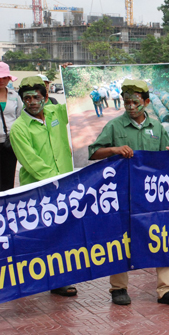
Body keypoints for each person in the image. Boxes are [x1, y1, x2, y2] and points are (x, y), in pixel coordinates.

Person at [88, 79, 169, 306]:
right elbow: (93, 153)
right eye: (126, 102)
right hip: (123, 195)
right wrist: (114, 149)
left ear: (146, 102)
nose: (131, 106)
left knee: (163, 237)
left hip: (153, 195)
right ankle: (119, 288)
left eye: (135, 102)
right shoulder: (114, 126)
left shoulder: (157, 127)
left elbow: (165, 155)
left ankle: (167, 289)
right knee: (121, 240)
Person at [9, 76, 77, 297]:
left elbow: (75, 108)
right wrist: (56, 181)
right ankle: (44, 279)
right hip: (40, 190)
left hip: (65, 185)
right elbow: (31, 161)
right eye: (27, 98)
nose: (32, 102)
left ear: (45, 97)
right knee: (44, 234)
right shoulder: (19, 128)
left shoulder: (55, 114)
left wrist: (73, 75)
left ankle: (59, 279)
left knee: (63, 233)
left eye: (36, 97)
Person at [0, 62, 22, 191]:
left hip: (10, 143)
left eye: (4, 77)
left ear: (9, 78)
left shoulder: (14, 96)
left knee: (8, 179)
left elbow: (19, 118)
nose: (1, 81)